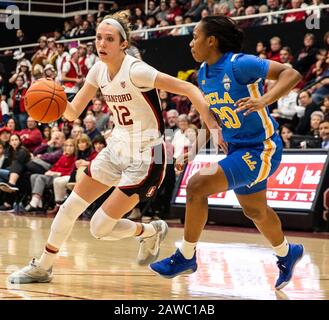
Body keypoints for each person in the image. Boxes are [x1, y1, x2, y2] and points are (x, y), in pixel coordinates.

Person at [9, 11, 222, 284]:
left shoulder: (137, 70)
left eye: (109, 39)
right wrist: (54, 100)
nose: (102, 44)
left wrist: (207, 118)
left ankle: (149, 230)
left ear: (123, 44)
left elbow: (189, 89)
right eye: (98, 38)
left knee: (99, 227)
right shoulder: (98, 70)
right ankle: (43, 266)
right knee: (69, 207)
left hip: (149, 156)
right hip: (117, 147)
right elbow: (73, 112)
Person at [150, 15, 304, 291]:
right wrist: (192, 153)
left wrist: (264, 100)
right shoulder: (204, 74)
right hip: (238, 148)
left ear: (212, 40)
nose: (190, 43)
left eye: (195, 36)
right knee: (255, 210)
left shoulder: (239, 64)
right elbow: (214, 121)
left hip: (261, 148)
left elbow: (291, 74)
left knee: (197, 186)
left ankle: (186, 256)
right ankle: (286, 253)